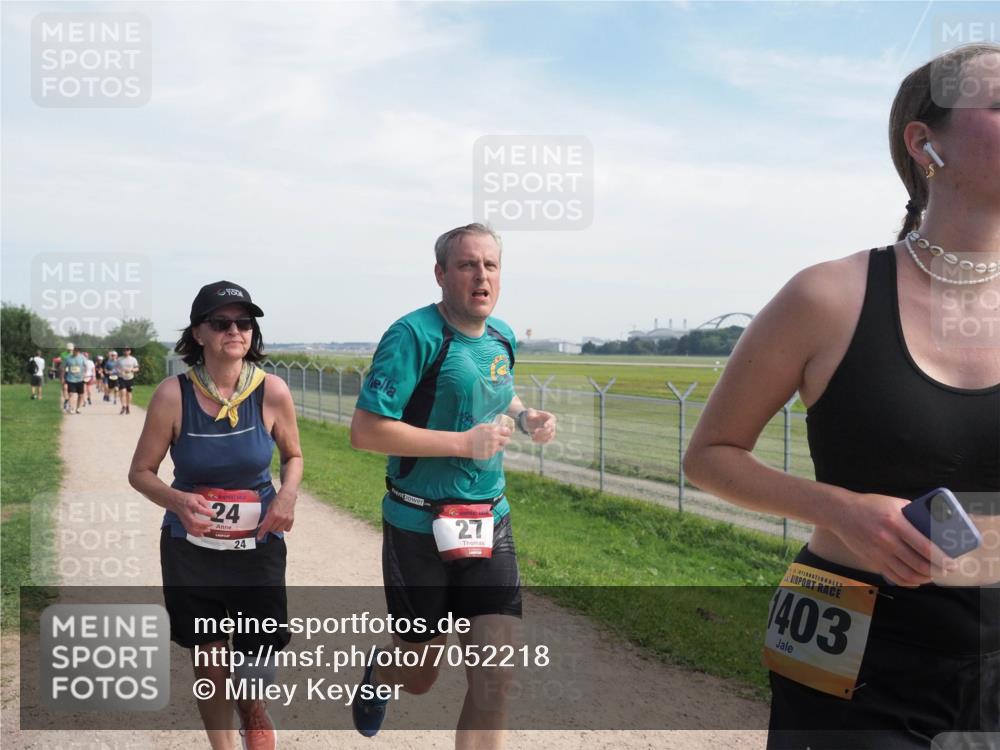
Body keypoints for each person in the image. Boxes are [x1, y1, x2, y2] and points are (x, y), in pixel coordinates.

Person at [683, 43, 1000, 749]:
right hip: (850, 659)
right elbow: (710, 456)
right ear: (926, 144)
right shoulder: (827, 297)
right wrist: (839, 508)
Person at [349, 223, 557, 748]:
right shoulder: (413, 335)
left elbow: (498, 392)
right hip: (418, 524)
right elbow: (366, 431)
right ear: (441, 274)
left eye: (490, 265)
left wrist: (527, 415)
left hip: (488, 519)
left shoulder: (502, 336)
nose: (480, 275)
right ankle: (386, 669)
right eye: (467, 265)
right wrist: (464, 444)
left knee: (494, 679)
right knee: (420, 677)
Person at [128, 281, 302, 750]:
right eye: (221, 322)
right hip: (192, 548)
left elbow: (294, 456)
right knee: (208, 658)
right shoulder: (172, 395)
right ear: (198, 333)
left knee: (255, 654)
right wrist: (179, 502)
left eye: (244, 322)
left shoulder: (273, 391)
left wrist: (286, 494)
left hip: (257, 545)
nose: (235, 330)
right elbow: (141, 473)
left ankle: (251, 707)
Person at [62, 344, 86, 415]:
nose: (75, 352)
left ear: (79, 351)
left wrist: (85, 375)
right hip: (70, 379)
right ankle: (72, 408)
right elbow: (63, 368)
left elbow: (86, 366)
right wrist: (63, 377)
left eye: (77, 351)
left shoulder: (82, 357)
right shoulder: (67, 358)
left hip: (80, 379)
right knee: (71, 394)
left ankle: (78, 408)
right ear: (73, 350)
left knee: (81, 395)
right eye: (74, 350)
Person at [117, 346, 139, 415]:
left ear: (130, 351)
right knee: (123, 391)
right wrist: (120, 371)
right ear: (123, 351)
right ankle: (123, 406)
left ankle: (128, 406)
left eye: (127, 350)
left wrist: (131, 370)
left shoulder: (133, 359)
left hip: (130, 378)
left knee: (129, 393)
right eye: (125, 350)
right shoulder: (119, 359)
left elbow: (137, 368)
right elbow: (116, 368)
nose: (126, 351)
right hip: (121, 377)